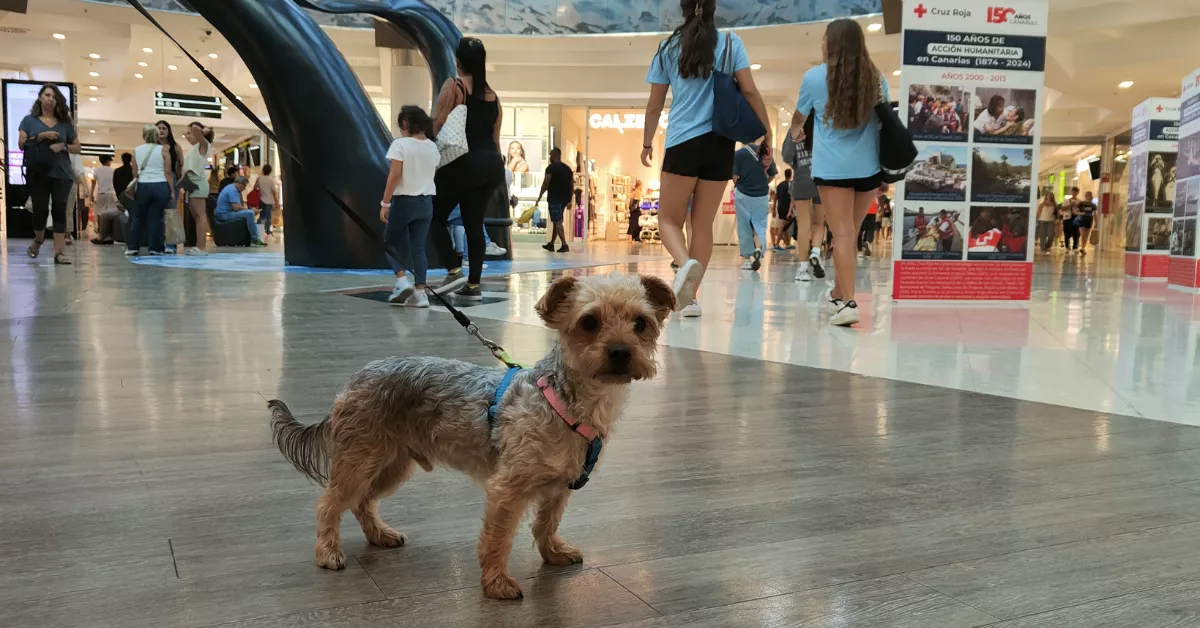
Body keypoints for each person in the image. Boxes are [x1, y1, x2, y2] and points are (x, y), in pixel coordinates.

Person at [642, 0, 770, 317]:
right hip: (721, 145)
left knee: (668, 220)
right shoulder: (730, 42)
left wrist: (646, 143)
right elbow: (750, 91)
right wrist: (766, 134)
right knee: (702, 224)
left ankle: (685, 265)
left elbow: (655, 104)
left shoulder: (668, 46)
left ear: (684, 9)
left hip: (682, 143)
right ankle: (691, 298)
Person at [790, 18, 887, 326]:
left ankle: (848, 303)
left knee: (842, 233)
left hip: (833, 168)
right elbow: (884, 122)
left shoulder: (815, 77)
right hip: (869, 167)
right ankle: (837, 292)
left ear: (830, 43)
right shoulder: (876, 77)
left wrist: (796, 133)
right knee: (851, 233)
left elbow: (798, 118)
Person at [430, 37, 507, 300]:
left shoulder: (455, 86)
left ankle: (453, 268)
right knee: (474, 223)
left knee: (434, 215)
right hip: (492, 165)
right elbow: (496, 140)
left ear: (458, 62)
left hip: (463, 162)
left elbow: (437, 124)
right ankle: (473, 285)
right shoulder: (494, 98)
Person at [380, 105, 440, 308]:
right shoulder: (432, 146)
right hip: (426, 202)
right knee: (418, 248)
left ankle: (402, 281)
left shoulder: (401, 144)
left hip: (404, 201)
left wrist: (385, 203)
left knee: (389, 243)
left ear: (405, 123)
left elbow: (395, 175)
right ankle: (420, 293)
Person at [18, 84, 82, 264]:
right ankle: (38, 240)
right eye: (47, 95)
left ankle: (59, 253)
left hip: (62, 173)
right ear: (40, 97)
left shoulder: (65, 124)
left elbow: (78, 147)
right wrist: (41, 136)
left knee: (59, 210)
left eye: (53, 97)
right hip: (39, 172)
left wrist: (65, 146)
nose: (50, 99)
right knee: (40, 210)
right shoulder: (29, 120)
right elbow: (21, 144)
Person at [782, 116, 826, 282]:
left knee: (803, 224)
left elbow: (786, 156)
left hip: (800, 179)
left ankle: (802, 269)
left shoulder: (794, 129)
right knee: (818, 222)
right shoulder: (823, 128)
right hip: (821, 178)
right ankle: (815, 252)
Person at [125, 125, 174, 256]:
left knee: (138, 217)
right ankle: (155, 248)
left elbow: (135, 173)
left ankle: (133, 247)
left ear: (144, 136)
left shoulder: (136, 150)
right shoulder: (164, 150)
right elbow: (168, 172)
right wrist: (172, 191)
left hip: (143, 186)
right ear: (157, 136)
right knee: (156, 218)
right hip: (161, 185)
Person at [732, 142, 777, 270]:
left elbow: (735, 177)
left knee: (744, 226)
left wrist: (740, 184)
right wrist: (763, 183)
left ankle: (747, 259)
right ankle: (758, 249)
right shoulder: (765, 153)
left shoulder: (739, 154)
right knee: (759, 225)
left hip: (743, 194)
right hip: (761, 195)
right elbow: (773, 174)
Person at [182, 122, 214, 255]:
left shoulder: (203, 145)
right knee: (196, 216)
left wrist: (203, 130)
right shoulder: (194, 149)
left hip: (198, 183)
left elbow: (196, 128)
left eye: (189, 133)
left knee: (200, 216)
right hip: (190, 185)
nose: (187, 136)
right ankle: (198, 245)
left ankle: (202, 247)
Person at [536, 147, 574, 253]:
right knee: (556, 221)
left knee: (557, 222)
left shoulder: (551, 168)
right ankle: (551, 244)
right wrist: (570, 200)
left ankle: (564, 244)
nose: (549, 157)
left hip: (554, 199)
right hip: (563, 200)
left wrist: (539, 197)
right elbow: (571, 186)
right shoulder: (568, 169)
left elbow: (546, 183)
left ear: (554, 155)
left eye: (550, 155)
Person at [214, 176, 267, 246]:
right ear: (240, 184)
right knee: (250, 214)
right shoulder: (233, 190)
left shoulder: (230, 188)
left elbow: (237, 206)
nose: (245, 188)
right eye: (244, 186)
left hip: (224, 214)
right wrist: (251, 210)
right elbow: (236, 207)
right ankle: (254, 239)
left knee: (249, 213)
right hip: (224, 215)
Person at [90, 154, 120, 244]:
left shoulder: (97, 170)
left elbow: (94, 182)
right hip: (111, 194)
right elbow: (116, 183)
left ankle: (101, 234)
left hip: (101, 194)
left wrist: (91, 194)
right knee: (111, 214)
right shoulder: (113, 171)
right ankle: (110, 235)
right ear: (107, 161)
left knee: (100, 214)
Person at [254, 163, 281, 244]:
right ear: (270, 171)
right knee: (268, 217)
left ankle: (258, 231)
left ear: (263, 170)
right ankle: (268, 232)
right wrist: (277, 202)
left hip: (261, 200)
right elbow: (274, 192)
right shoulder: (271, 180)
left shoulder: (259, 178)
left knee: (261, 216)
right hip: (270, 201)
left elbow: (255, 187)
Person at [771, 169, 793, 251]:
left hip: (780, 207)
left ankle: (787, 243)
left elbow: (775, 197)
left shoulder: (780, 185)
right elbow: (792, 197)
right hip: (787, 208)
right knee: (782, 226)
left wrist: (774, 209)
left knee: (784, 225)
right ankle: (777, 244)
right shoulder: (790, 185)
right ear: (791, 175)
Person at [1076, 190, 1097, 256]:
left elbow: (1094, 214)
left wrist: (1096, 222)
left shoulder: (1093, 205)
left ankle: (1083, 248)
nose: (1089, 196)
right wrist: (1081, 213)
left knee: (1086, 235)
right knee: (1082, 234)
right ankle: (1082, 247)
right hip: (1082, 220)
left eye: (1090, 195)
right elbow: (1076, 211)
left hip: (1089, 220)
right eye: (1087, 195)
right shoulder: (1081, 203)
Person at [1062, 186, 1080, 252]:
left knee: (1076, 233)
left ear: (1078, 192)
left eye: (1076, 191)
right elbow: (1062, 208)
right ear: (1071, 192)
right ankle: (1067, 246)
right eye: (1073, 191)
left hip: (1076, 218)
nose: (1075, 192)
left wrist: (1077, 207)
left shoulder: (1079, 201)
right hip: (1067, 218)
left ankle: (1075, 247)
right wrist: (1070, 205)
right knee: (1066, 233)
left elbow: (1080, 210)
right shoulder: (1066, 200)